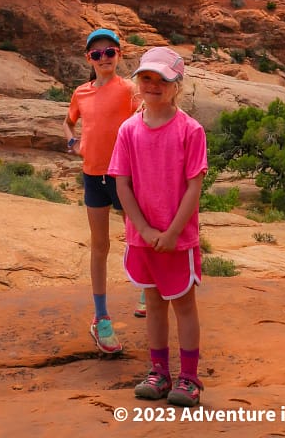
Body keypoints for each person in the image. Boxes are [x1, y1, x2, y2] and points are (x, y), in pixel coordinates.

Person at [108, 46, 207, 408]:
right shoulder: (129, 130)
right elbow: (122, 184)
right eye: (146, 78)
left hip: (177, 239)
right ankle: (159, 372)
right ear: (138, 83)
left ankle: (190, 378)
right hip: (143, 236)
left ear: (176, 85)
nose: (153, 85)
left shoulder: (190, 130)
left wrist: (171, 232)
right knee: (152, 302)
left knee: (183, 303)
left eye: (162, 80)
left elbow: (194, 185)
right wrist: (145, 230)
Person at [64, 28, 140, 355]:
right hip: (94, 175)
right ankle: (101, 318)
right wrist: (73, 141)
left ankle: (147, 290)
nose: (104, 58)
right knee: (100, 245)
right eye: (97, 54)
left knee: (137, 234)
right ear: (89, 59)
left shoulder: (130, 90)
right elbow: (69, 122)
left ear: (119, 55)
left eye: (110, 52)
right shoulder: (81, 93)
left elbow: (144, 118)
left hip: (124, 175)